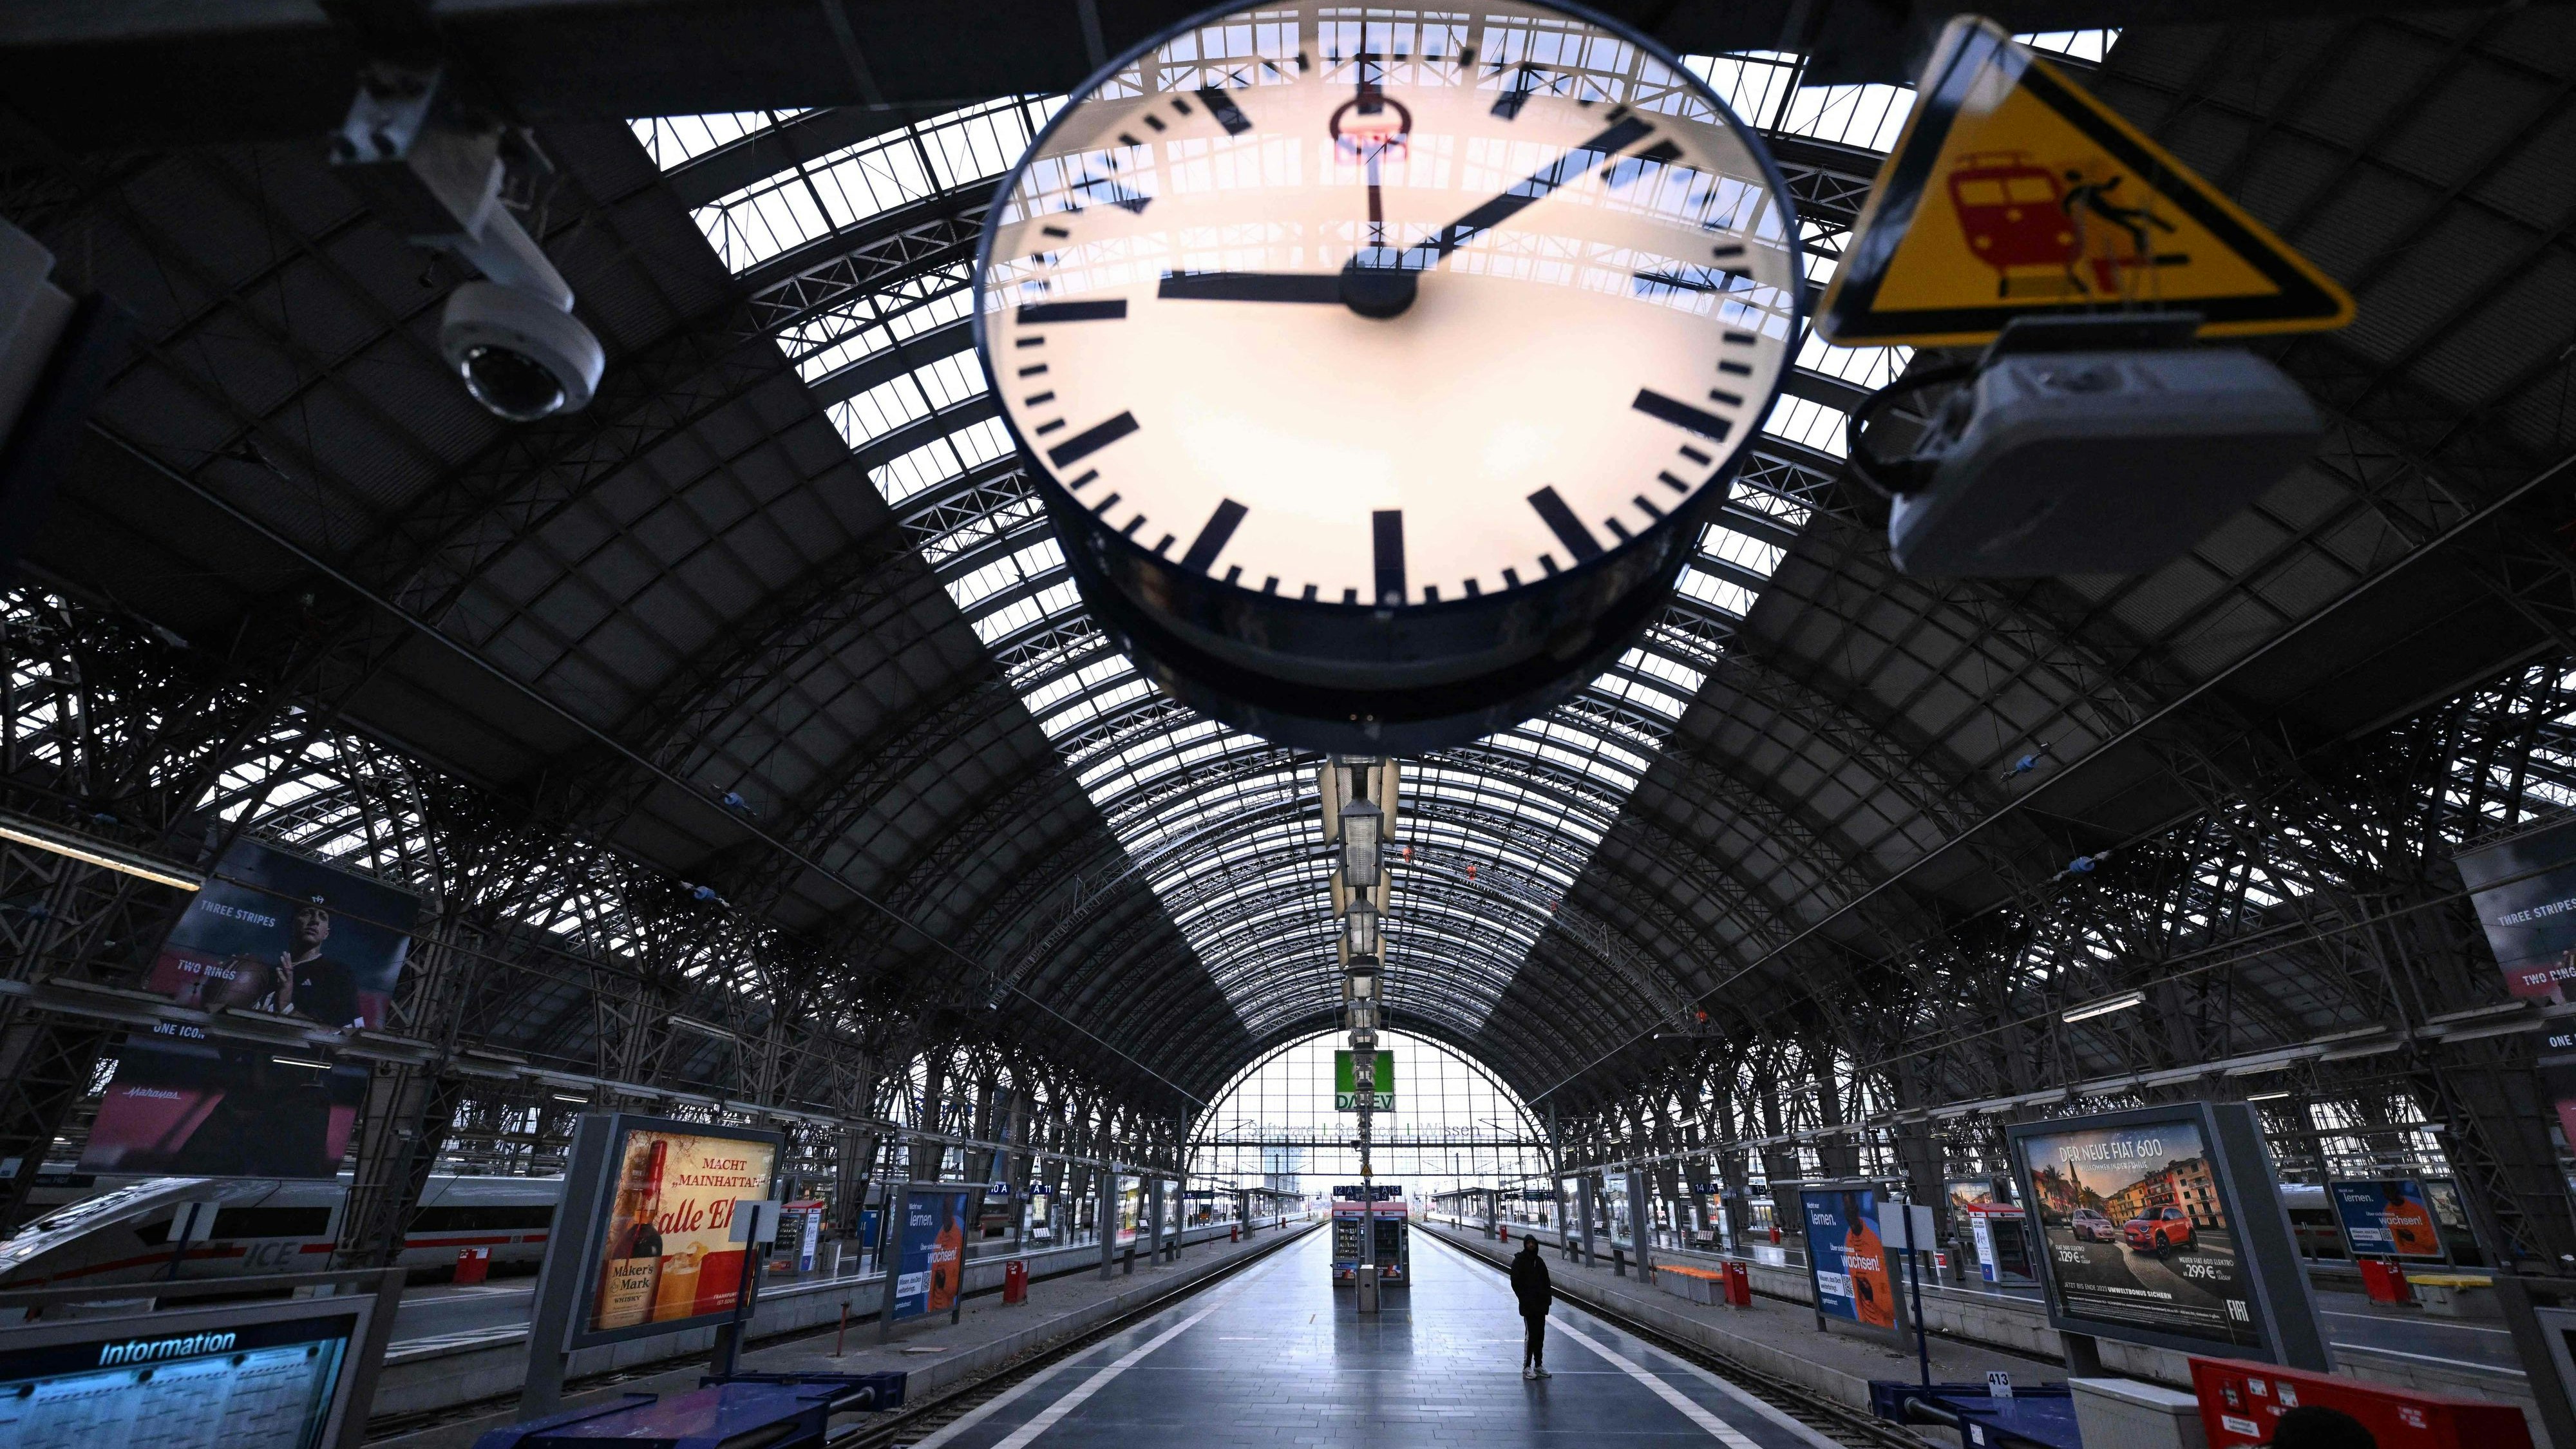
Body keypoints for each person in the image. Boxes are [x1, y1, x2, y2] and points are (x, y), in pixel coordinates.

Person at [1511, 1234, 1553, 1379]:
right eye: (1528, 1243)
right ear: (1525, 1244)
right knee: (1531, 1336)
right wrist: (1524, 1299)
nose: (1531, 1246)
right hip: (1529, 1306)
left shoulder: (1539, 1262)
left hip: (1541, 1306)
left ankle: (1539, 1365)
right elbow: (1515, 1283)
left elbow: (1547, 1282)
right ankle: (1527, 1366)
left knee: (1540, 1335)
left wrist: (1548, 1299)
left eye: (1533, 1243)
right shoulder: (1519, 1262)